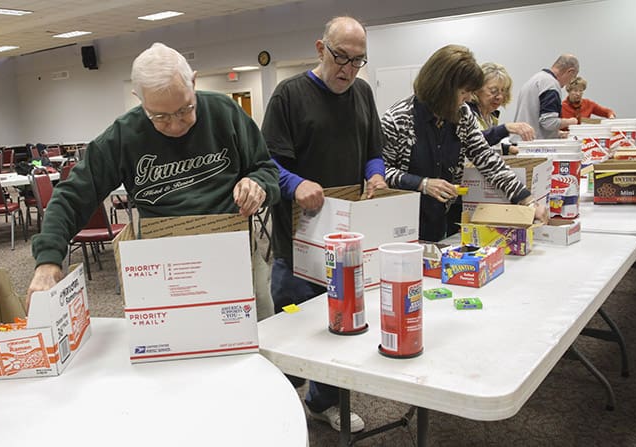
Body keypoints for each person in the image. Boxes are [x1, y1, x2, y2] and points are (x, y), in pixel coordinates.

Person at [27, 42, 280, 309]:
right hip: (165, 265)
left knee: (259, 332)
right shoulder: (124, 135)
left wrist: (258, 184)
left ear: (193, 83)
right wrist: (48, 260)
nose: (175, 125)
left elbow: (267, 170)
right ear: (139, 98)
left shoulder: (224, 112)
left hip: (232, 252)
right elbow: (71, 197)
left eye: (185, 110)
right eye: (159, 116)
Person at [261, 16, 386, 434]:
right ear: (320, 48)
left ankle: (322, 403)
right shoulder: (289, 96)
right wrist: (295, 184)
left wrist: (375, 174)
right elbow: (266, 165)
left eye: (358, 61)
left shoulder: (362, 94)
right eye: (341, 58)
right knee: (294, 335)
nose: (348, 70)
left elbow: (373, 150)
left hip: (345, 239)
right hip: (297, 243)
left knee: (341, 326)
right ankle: (276, 410)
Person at [381, 44, 547, 243]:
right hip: (406, 225)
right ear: (442, 87)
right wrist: (422, 184)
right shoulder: (397, 119)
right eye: (464, 92)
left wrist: (526, 199)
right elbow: (382, 173)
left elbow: (486, 158)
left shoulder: (462, 115)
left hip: (447, 220)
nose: (468, 98)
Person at [467, 62, 535, 155]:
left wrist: (508, 148)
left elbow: (488, 144)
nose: (500, 96)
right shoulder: (467, 113)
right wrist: (505, 128)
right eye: (493, 91)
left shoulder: (491, 116)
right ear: (477, 89)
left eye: (503, 91)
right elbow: (473, 142)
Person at [514, 54, 580, 139]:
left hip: (521, 141)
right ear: (570, 71)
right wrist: (570, 121)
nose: (569, 82)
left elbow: (535, 119)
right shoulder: (551, 85)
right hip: (533, 146)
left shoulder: (538, 78)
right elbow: (549, 123)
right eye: (572, 78)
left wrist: (558, 134)